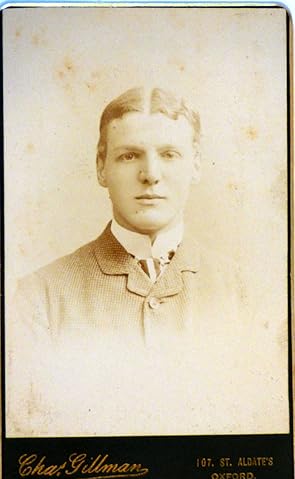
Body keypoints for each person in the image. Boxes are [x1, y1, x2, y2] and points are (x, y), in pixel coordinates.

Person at [6, 87, 286, 437]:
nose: (151, 174)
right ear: (100, 167)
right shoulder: (40, 297)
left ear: (196, 165)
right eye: (129, 156)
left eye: (169, 154)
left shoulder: (248, 294)